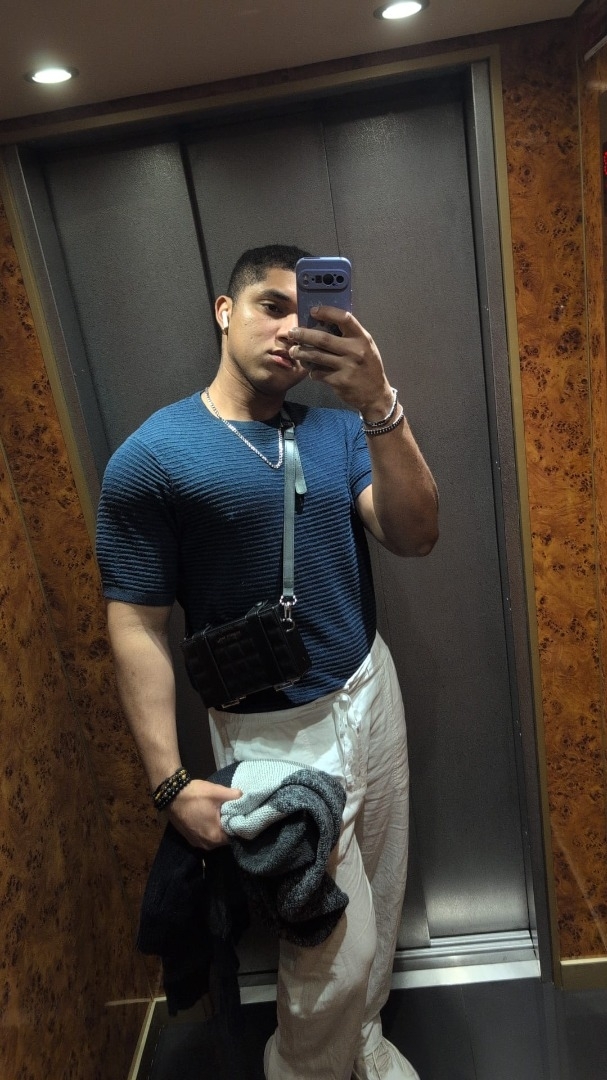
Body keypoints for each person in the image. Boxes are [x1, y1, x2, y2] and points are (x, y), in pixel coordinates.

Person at [96, 244, 438, 1080]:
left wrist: (380, 404)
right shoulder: (153, 456)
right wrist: (169, 782)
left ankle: (362, 1041)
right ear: (224, 311)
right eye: (270, 307)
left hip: (367, 686)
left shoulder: (339, 430)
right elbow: (135, 624)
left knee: (381, 889)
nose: (289, 329)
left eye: (307, 314)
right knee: (324, 942)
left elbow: (415, 534)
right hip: (270, 735)